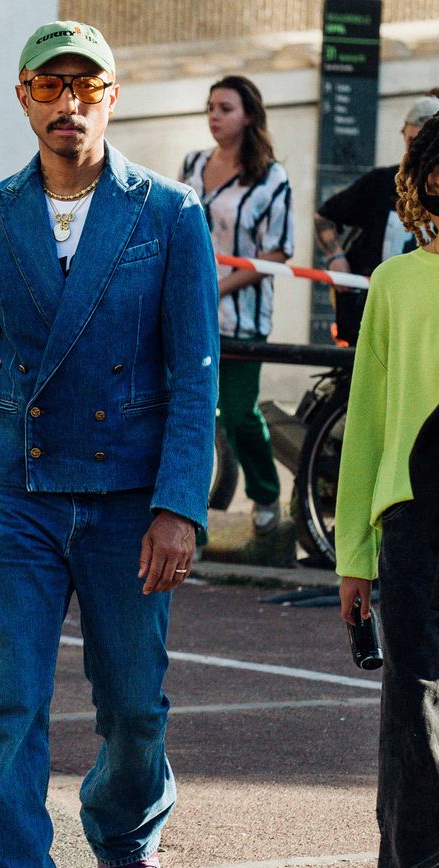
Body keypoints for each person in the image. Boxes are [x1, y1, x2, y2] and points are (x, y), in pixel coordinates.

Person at [0, 19, 219, 868]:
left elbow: (196, 373)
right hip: (18, 490)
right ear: (21, 98)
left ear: (112, 97)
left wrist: (180, 503)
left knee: (134, 706)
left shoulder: (170, 213)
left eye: (84, 86)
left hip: (132, 497)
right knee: (9, 700)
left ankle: (126, 821)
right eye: (48, 86)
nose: (67, 103)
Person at [336, 113, 439, 868]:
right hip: (416, 521)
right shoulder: (397, 283)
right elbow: (366, 424)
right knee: (416, 705)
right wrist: (354, 556)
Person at [180, 75, 293, 536]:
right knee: (189, 412)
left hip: (241, 316)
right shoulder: (192, 162)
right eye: (210, 106)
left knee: (240, 411)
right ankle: (188, 515)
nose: (214, 116)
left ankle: (266, 497)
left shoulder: (271, 177)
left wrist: (219, 286)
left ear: (248, 115)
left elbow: (277, 253)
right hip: (188, 312)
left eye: (224, 108)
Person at [315, 94, 439, 344]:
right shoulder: (381, 182)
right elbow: (325, 216)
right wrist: (337, 258)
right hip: (374, 312)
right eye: (413, 142)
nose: (419, 153)